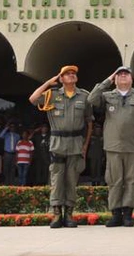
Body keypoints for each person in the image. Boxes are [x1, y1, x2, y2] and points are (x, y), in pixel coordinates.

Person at [29, 64, 93, 229]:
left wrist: (85, 145)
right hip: (58, 142)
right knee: (57, 179)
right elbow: (33, 99)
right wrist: (48, 83)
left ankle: (69, 213)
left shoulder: (84, 96)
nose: (71, 75)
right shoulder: (52, 95)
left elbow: (89, 123)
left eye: (73, 73)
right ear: (61, 78)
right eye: (67, 74)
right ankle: (57, 213)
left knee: (72, 179)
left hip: (76, 142)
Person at [89, 65, 134, 226]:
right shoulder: (107, 95)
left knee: (132, 179)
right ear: (115, 79)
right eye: (120, 74)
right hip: (113, 146)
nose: (123, 76)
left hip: (133, 145)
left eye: (126, 74)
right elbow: (91, 99)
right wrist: (108, 80)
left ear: (132, 78)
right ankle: (116, 213)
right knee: (114, 179)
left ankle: (128, 214)